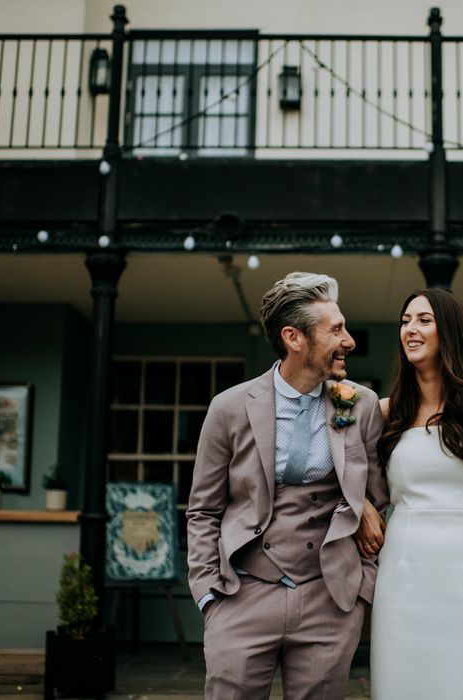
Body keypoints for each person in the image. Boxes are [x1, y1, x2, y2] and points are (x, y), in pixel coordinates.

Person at [186, 271, 388, 700]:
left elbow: (376, 495)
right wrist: (208, 595)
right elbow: (203, 509)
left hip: (329, 599)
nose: (349, 340)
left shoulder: (359, 404)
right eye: (336, 330)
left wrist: (360, 594)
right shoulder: (229, 407)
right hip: (241, 593)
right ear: (294, 338)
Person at [358, 288, 463, 699]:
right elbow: (333, 472)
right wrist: (359, 504)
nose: (410, 330)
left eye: (423, 320)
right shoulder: (383, 412)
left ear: (449, 332)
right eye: (405, 321)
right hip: (403, 579)